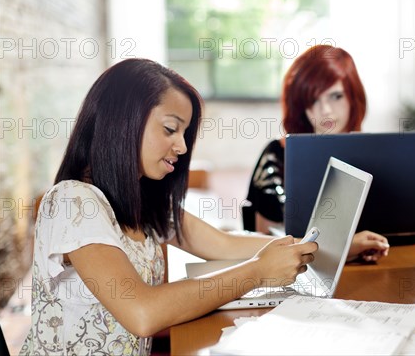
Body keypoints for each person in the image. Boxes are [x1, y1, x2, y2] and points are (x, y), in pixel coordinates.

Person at [20, 58, 388, 355]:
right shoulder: (73, 202)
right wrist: (258, 272)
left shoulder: (142, 199)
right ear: (122, 122)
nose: (181, 148)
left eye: (185, 134)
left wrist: (332, 248)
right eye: (170, 129)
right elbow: (143, 312)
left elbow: (224, 244)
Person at [245, 45, 388, 261]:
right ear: (300, 106)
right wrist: (344, 248)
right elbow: (263, 245)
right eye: (313, 100)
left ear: (353, 97)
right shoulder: (277, 156)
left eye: (336, 96)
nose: (326, 110)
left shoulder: (376, 155)